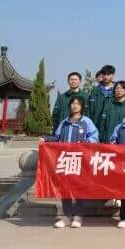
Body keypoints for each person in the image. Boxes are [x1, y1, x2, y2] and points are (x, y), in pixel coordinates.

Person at [46, 96, 98, 229]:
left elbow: (94, 138)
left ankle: (78, 216)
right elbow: (57, 138)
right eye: (73, 103)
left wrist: (84, 143)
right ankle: (67, 215)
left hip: (80, 160)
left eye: (78, 104)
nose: (75, 106)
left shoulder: (87, 122)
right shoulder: (64, 122)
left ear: (82, 106)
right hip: (65, 160)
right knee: (65, 188)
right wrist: (45, 140)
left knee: (80, 188)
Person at [87, 64, 115, 136]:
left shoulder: (118, 90)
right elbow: (89, 110)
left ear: (113, 75)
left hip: (112, 126)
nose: (106, 77)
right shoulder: (95, 90)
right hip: (96, 125)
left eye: (108, 74)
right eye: (104, 74)